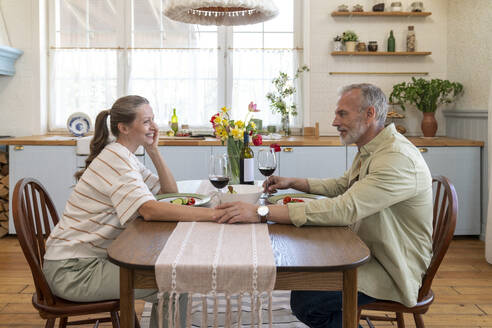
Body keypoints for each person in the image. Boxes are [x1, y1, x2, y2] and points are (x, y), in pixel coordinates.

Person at [216, 83, 434, 328]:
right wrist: (294, 182)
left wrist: (260, 212)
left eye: (342, 114)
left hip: (393, 267)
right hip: (370, 249)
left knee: (307, 300)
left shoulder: (396, 158)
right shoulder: (375, 148)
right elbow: (343, 184)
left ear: (369, 114)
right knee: (308, 283)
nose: (334, 121)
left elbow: (344, 209)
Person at [43, 95, 224, 328]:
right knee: (174, 283)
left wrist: (154, 151)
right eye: (147, 121)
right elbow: (149, 210)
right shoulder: (115, 159)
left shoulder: (123, 156)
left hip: (84, 262)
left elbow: (168, 195)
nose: (154, 127)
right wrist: (213, 215)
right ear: (124, 128)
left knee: (173, 275)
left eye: (153, 120)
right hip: (73, 272)